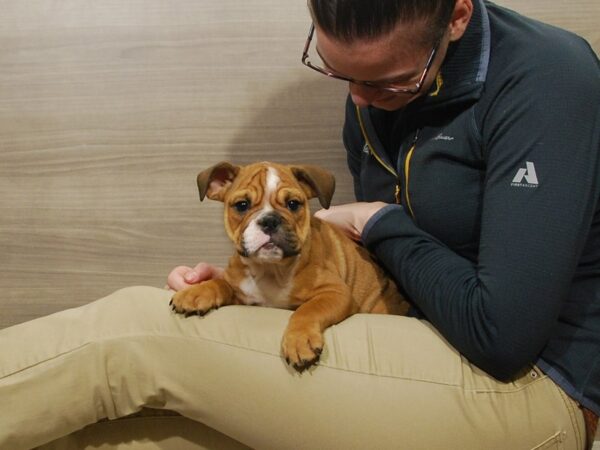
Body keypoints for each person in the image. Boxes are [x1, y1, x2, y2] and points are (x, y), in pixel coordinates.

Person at [1, 0, 598, 449]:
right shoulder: (376, 85)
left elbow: (503, 336)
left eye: (388, 81)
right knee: (115, 430)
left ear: (458, 16)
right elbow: (385, 270)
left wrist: (378, 218)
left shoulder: (548, 81)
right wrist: (253, 291)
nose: (359, 101)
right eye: (339, 73)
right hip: (421, 328)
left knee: (130, 336)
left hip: (539, 383)